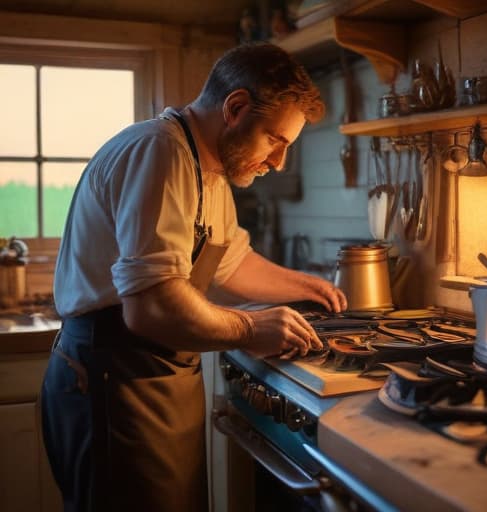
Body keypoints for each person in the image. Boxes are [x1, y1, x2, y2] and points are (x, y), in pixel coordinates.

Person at [41, 42, 347, 512]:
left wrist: (313, 288)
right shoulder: (159, 151)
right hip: (110, 381)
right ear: (236, 108)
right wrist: (251, 327)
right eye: (275, 140)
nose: (278, 161)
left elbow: (230, 263)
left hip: (156, 381)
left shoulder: (210, 170)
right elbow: (152, 306)